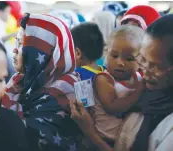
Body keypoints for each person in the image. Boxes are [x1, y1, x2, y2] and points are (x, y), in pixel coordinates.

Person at [70, 14, 173, 151]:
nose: (146, 69)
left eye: (156, 66)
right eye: (142, 59)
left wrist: (89, 132)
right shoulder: (150, 93)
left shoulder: (167, 124)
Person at [2, 13, 82, 151]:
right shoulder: (20, 82)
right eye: (16, 42)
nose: (14, 50)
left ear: (42, 50)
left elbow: (37, 139)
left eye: (21, 44)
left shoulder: (67, 91)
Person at [92, 25, 145, 146]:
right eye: (114, 56)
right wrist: (138, 92)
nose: (120, 62)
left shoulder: (139, 78)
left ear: (141, 60)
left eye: (129, 59)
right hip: (106, 138)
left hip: (127, 138)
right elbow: (112, 106)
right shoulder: (104, 79)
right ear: (106, 53)